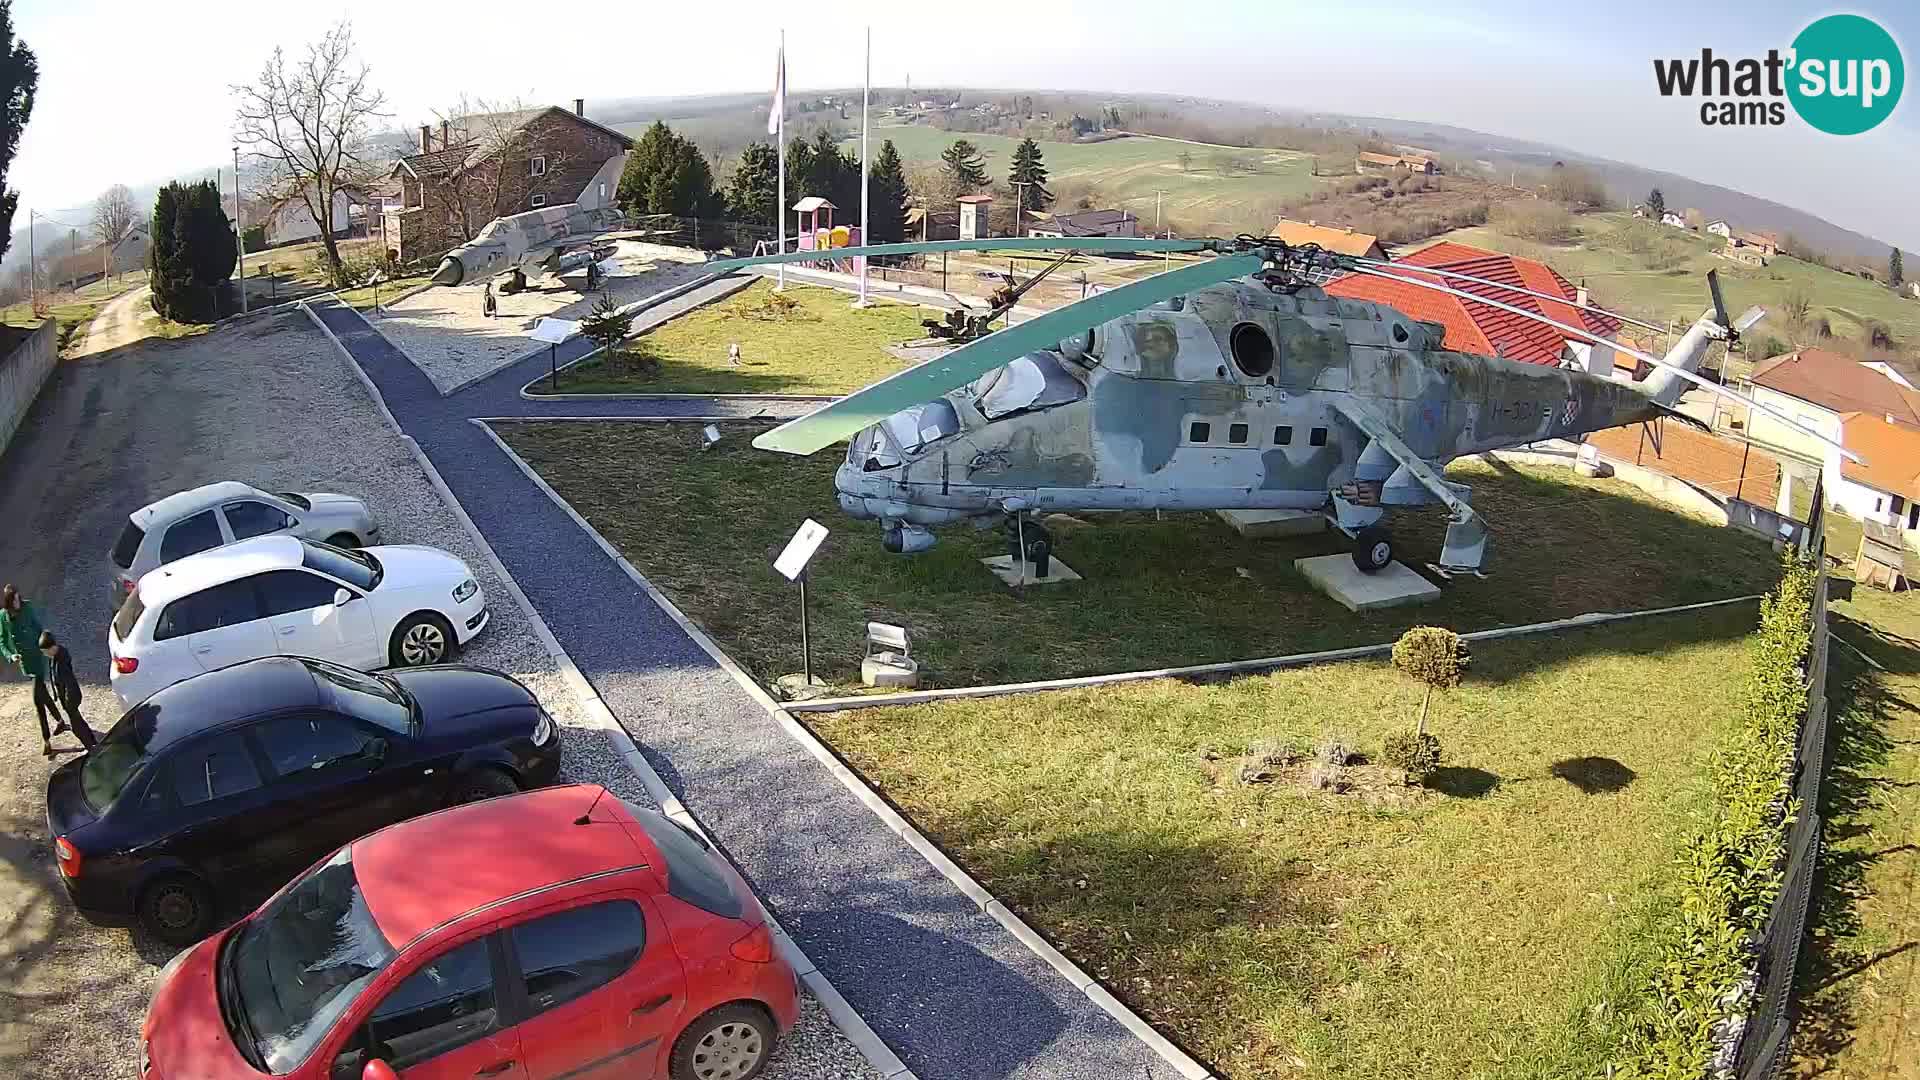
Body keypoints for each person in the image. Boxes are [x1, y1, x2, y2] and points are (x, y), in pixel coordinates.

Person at [0, 584, 56, 757]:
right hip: (25, 661)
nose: (18, 603)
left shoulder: (28, 607)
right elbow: (2, 641)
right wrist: (11, 656)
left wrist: (46, 646)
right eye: (14, 600)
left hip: (37, 657)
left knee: (37, 700)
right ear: (9, 602)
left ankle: (46, 740)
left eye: (18, 598)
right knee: (43, 694)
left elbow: (38, 627)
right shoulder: (3, 616)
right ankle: (60, 720)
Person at [39, 632, 97, 752]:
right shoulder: (56, 656)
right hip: (67, 697)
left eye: (45, 651)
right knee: (78, 720)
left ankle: (90, 748)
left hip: (70, 698)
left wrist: (68, 702)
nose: (45, 654)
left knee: (76, 726)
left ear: (52, 648)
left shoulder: (61, 662)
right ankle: (92, 741)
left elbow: (69, 683)